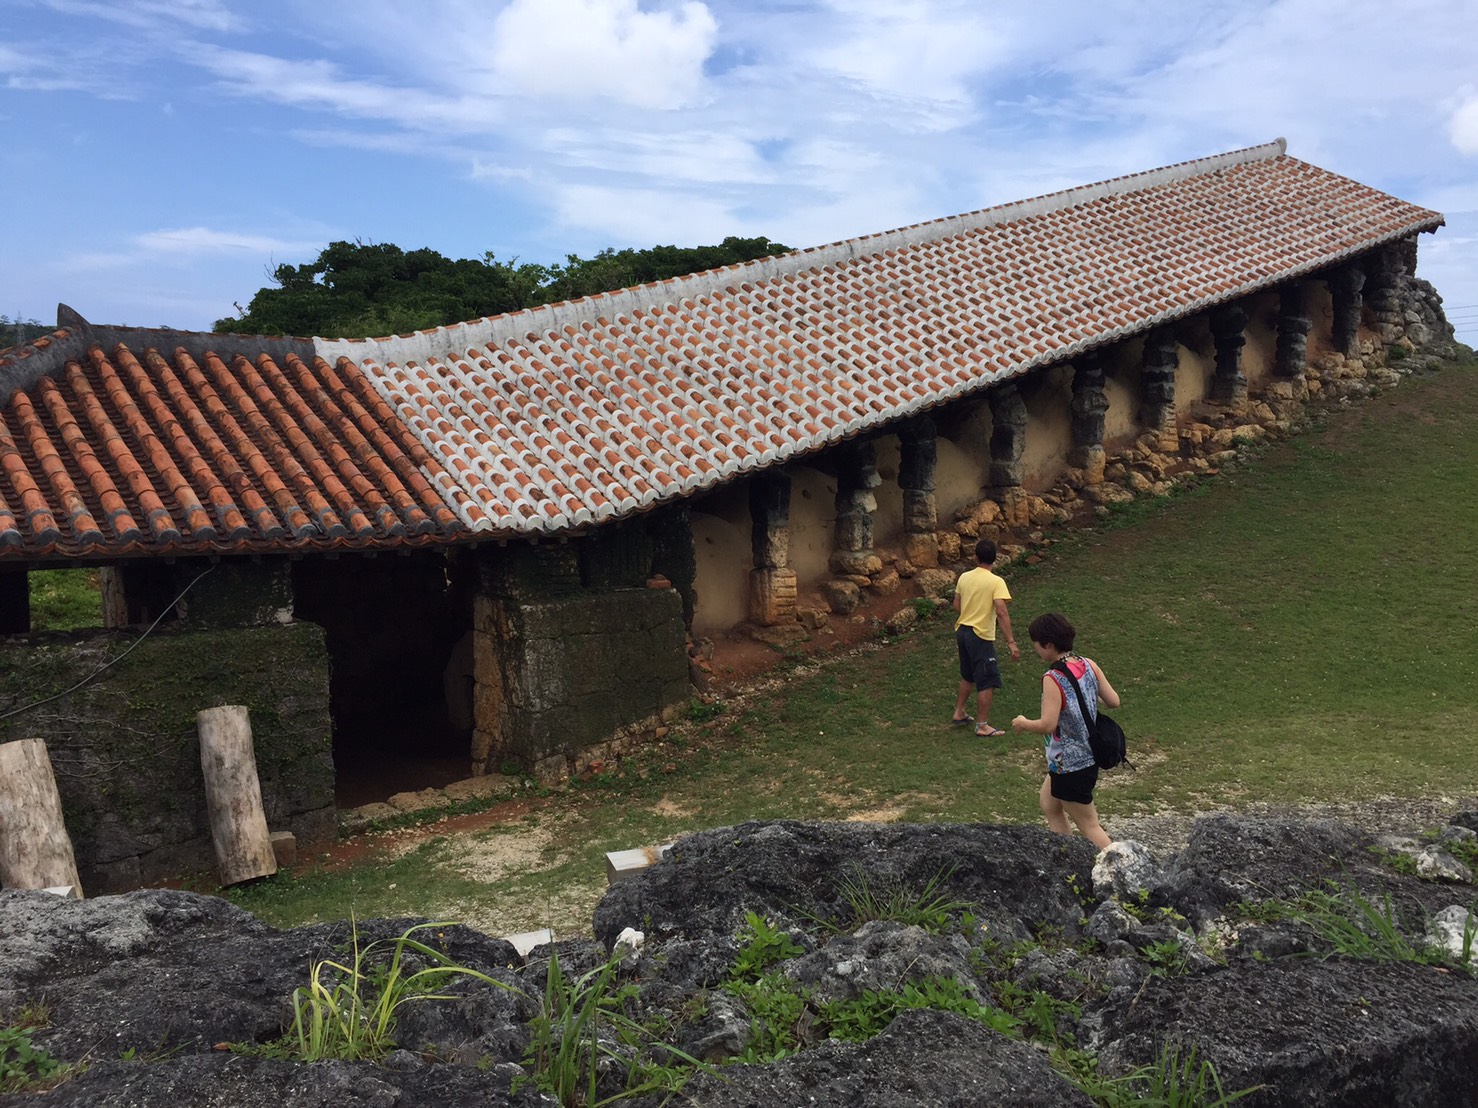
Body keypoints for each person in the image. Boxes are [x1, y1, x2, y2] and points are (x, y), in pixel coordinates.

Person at [1011, 613, 1118, 849]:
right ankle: (1068, 858)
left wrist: (1023, 723)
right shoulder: (1089, 664)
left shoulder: (1053, 677)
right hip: (1084, 756)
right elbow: (1113, 701)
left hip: (1071, 763)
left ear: (1047, 644)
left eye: (1037, 645)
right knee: (1049, 804)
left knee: (1090, 825)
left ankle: (1121, 870)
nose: (1037, 650)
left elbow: (1047, 725)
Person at [950, 538, 1019, 737]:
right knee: (987, 680)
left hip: (962, 630)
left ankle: (959, 711)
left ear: (976, 557)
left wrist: (970, 612)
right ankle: (982, 726)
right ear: (994, 559)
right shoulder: (996, 582)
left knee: (967, 675)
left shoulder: (964, 577)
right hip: (980, 635)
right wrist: (1011, 642)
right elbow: (1001, 611)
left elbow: (957, 605)